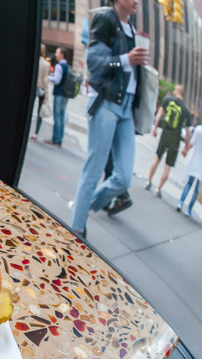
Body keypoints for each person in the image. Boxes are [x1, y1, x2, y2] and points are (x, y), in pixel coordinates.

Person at [69, 0, 148, 237]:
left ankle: (82, 208)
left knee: (123, 178)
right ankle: (76, 230)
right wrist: (126, 59)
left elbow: (133, 74)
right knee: (94, 168)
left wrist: (135, 107)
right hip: (105, 101)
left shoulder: (131, 28)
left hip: (126, 108)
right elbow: (95, 63)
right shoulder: (106, 19)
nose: (136, 1)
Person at [144, 85, 192, 198]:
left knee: (157, 157)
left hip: (165, 132)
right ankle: (158, 188)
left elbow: (160, 114)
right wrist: (185, 147)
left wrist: (155, 127)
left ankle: (148, 181)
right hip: (175, 137)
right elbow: (187, 132)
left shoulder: (168, 100)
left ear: (178, 91)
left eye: (175, 89)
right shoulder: (186, 110)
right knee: (168, 166)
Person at [44, 47, 70, 147]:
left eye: (57, 52)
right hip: (65, 94)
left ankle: (55, 139)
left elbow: (57, 80)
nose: (55, 54)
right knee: (62, 116)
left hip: (59, 93)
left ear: (62, 55)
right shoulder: (67, 66)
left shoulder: (59, 66)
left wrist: (48, 77)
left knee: (57, 116)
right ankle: (59, 139)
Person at [177, 124, 201, 216]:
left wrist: (185, 150)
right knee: (197, 189)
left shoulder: (198, 130)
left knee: (189, 183)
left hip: (194, 161)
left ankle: (180, 202)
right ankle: (189, 209)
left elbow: (192, 143)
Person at [31, 44, 50, 141]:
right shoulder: (46, 64)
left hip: (33, 87)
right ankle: (35, 133)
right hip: (41, 88)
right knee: (40, 111)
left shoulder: (33, 60)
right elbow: (46, 80)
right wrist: (47, 95)